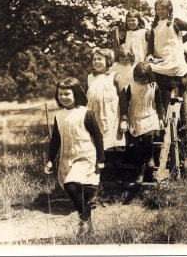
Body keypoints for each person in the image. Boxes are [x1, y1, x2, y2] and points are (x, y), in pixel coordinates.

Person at [44, 77, 105, 235]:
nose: (63, 97)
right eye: (60, 94)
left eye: (67, 94)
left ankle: (84, 219)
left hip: (85, 155)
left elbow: (98, 137)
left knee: (71, 184)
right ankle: (88, 223)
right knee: (72, 188)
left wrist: (100, 159)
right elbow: (56, 140)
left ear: (76, 94)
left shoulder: (86, 113)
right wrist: (50, 159)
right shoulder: (59, 116)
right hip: (67, 156)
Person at [146, 0, 187, 135]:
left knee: (180, 91)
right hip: (160, 58)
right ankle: (161, 120)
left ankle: (184, 125)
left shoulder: (176, 22)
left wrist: (180, 42)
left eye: (162, 9)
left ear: (169, 9)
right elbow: (151, 43)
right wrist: (150, 54)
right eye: (157, 9)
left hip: (174, 58)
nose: (160, 12)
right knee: (157, 84)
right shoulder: (155, 25)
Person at [120, 62, 165, 185]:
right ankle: (140, 174)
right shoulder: (130, 87)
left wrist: (161, 118)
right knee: (138, 147)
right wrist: (124, 120)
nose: (142, 80)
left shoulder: (154, 86)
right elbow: (124, 106)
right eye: (139, 78)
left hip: (150, 116)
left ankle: (150, 157)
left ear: (149, 76)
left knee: (148, 139)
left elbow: (159, 104)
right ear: (135, 76)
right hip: (135, 117)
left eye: (145, 78)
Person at [86, 47, 127, 151]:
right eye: (94, 59)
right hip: (95, 119)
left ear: (108, 60)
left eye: (100, 59)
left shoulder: (115, 77)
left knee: (113, 149)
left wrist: (124, 119)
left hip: (112, 119)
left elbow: (123, 99)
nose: (96, 62)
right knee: (96, 147)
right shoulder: (89, 78)